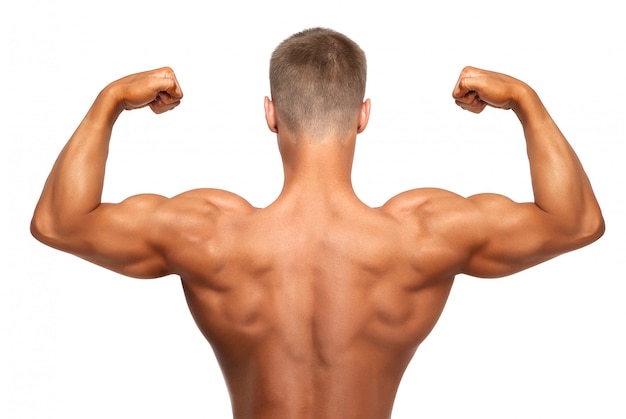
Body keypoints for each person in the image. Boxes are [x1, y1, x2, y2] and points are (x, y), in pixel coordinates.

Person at [31, 27, 604, 419]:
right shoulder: (421, 235)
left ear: (271, 115)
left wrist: (109, 102)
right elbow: (575, 220)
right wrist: (526, 101)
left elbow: (59, 221)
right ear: (363, 116)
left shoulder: (210, 233)